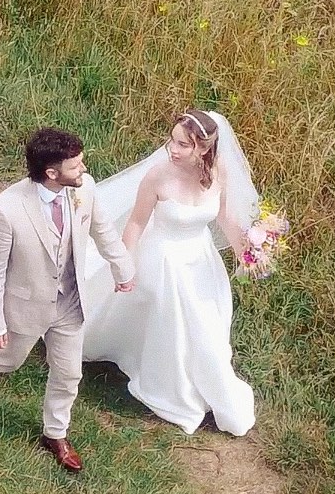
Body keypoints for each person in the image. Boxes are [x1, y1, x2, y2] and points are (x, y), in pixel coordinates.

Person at [0, 127, 135, 473]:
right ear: (51, 174)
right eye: (76, 166)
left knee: (69, 373)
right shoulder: (7, 209)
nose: (83, 170)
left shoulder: (85, 189)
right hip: (27, 305)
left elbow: (104, 230)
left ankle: (55, 434)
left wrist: (123, 269)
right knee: (9, 360)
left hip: (70, 302)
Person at [81, 110, 258, 436]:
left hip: (199, 263)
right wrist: (124, 266)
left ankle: (208, 384)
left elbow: (226, 218)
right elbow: (136, 222)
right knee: (170, 326)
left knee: (205, 329)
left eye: (182, 145)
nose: (172, 150)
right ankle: (169, 385)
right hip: (161, 261)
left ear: (203, 149)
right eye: (172, 141)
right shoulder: (158, 176)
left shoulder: (218, 174)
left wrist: (247, 253)